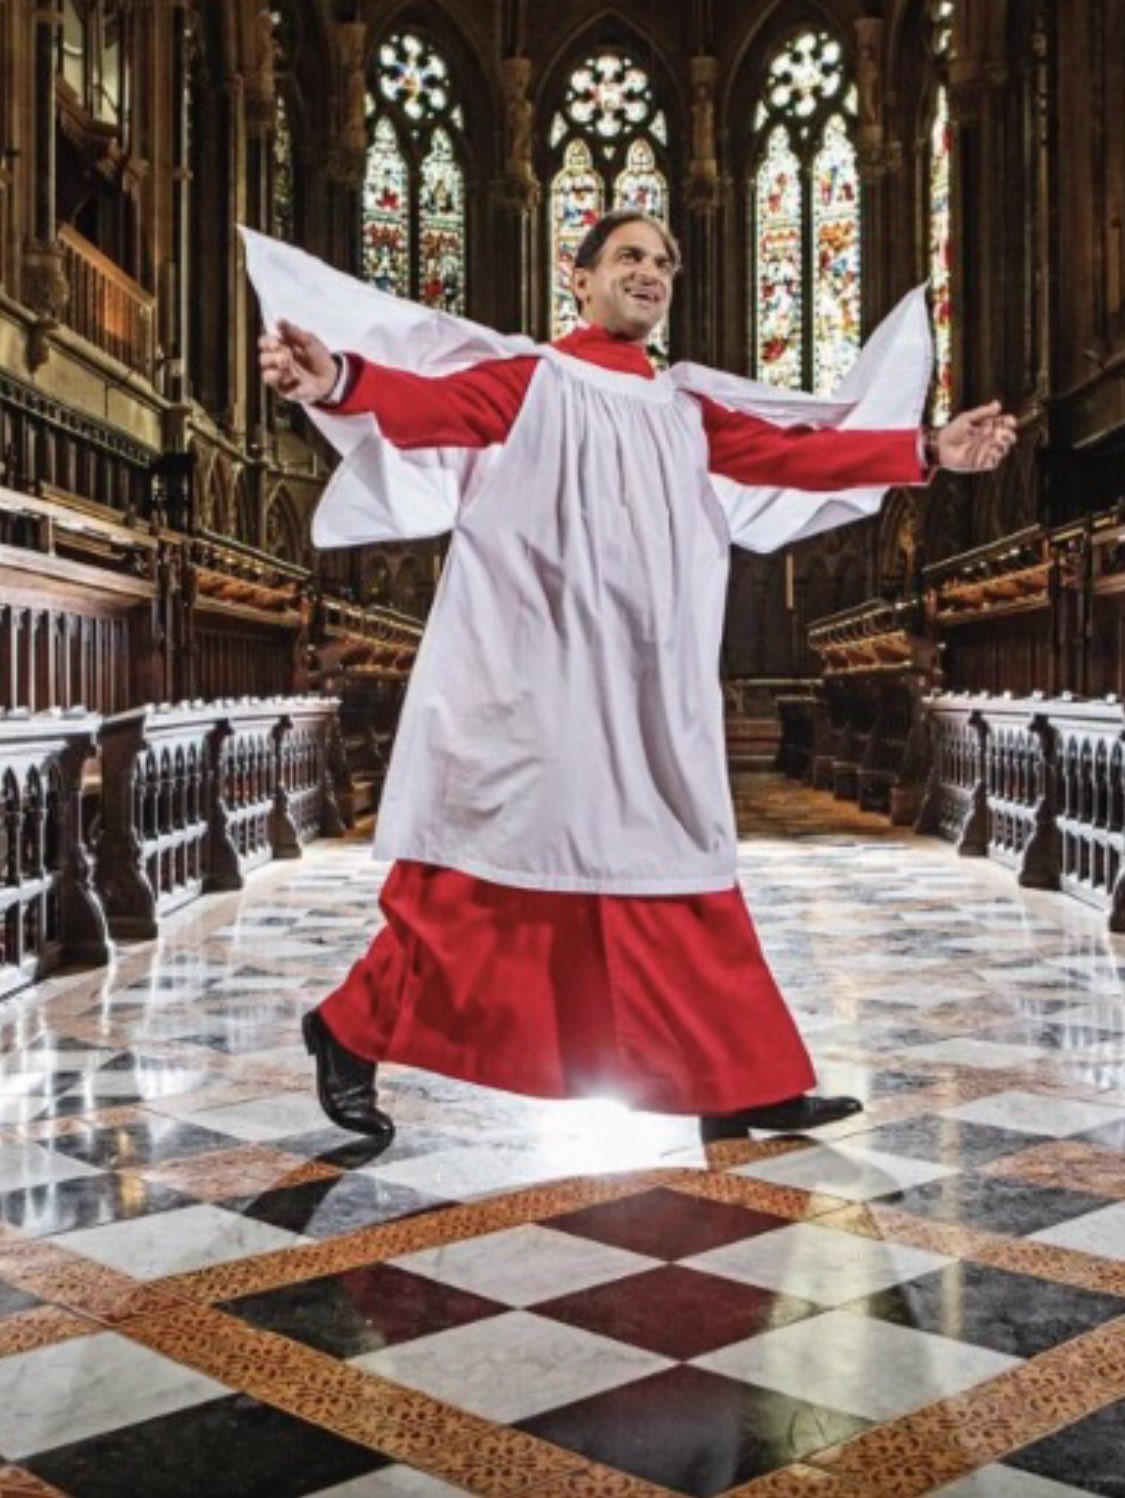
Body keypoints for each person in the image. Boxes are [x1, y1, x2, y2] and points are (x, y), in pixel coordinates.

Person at [257, 210, 1016, 1151]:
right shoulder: (534, 380)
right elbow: (425, 405)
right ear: (578, 280)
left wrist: (925, 452)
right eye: (628, 257)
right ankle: (347, 1030)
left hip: (648, 683)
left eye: (663, 262)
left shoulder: (682, 409)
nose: (650, 272)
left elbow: (795, 456)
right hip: (534, 687)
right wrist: (335, 380)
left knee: (681, 866)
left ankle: (742, 1079)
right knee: (480, 883)